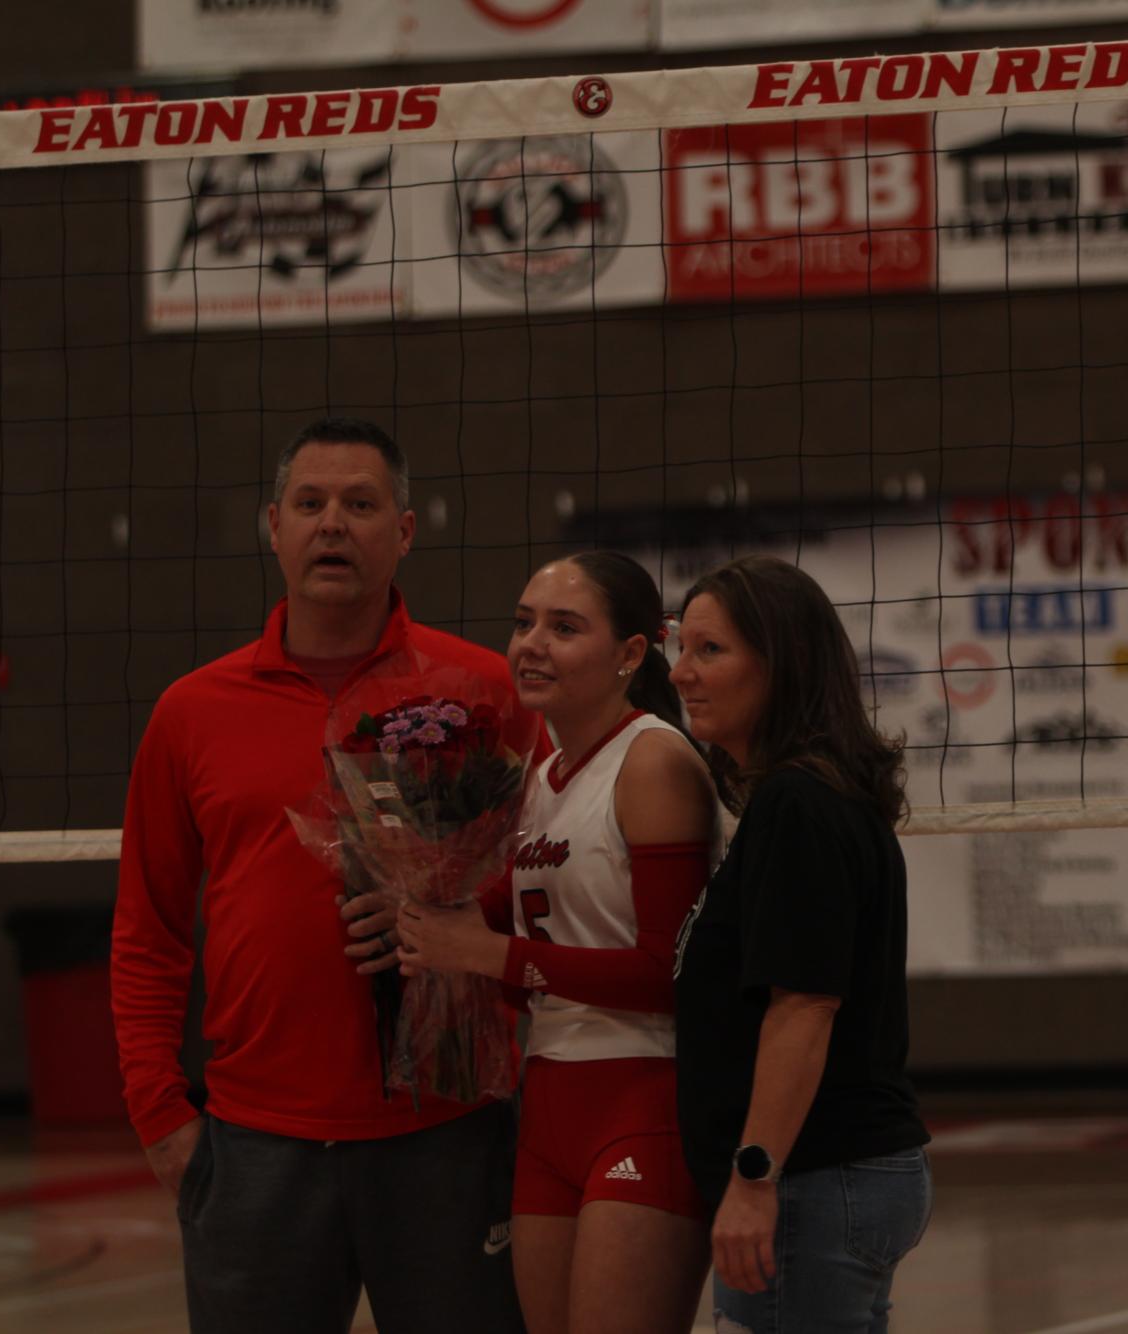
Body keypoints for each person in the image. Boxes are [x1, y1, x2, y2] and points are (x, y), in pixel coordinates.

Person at [112, 417, 525, 1334]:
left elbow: (556, 890)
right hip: (255, 1139)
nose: (332, 523)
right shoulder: (191, 712)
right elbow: (149, 927)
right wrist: (159, 1113)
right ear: (273, 525)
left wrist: (453, 917)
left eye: (360, 504)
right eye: (310, 503)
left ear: (405, 531)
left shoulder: (485, 692)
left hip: (448, 1131)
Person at [394, 551, 716, 1334]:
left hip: (646, 1098)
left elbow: (666, 975)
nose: (532, 643)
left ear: (631, 656)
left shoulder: (651, 762)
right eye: (523, 622)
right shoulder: (540, 775)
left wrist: (485, 954)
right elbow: (522, 947)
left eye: (564, 627)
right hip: (547, 1106)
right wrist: (427, 919)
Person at [668, 554, 932, 1334]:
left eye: (709, 651)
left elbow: (804, 1007)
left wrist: (753, 1179)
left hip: (812, 1178)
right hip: (826, 1176)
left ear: (781, 664)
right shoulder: (809, 798)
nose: (682, 672)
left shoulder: (798, 805)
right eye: (680, 648)